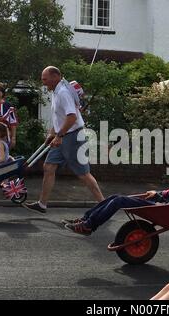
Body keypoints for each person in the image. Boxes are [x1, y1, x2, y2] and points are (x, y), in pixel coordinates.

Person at [23, 66, 104, 214]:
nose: (44, 83)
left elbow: (72, 117)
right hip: (62, 135)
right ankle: (42, 204)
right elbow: (59, 117)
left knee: (83, 173)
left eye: (45, 79)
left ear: (55, 77)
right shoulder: (56, 91)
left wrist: (59, 136)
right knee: (48, 167)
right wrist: (52, 133)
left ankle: (104, 205)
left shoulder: (63, 92)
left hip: (73, 136)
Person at [62, 168, 169, 236]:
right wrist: (156, 194)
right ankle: (86, 219)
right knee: (115, 197)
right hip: (160, 207)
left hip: (161, 210)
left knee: (119, 200)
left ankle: (88, 226)